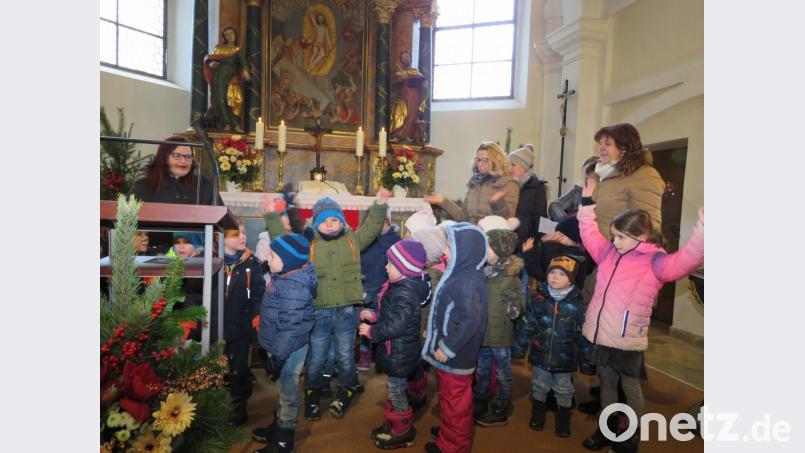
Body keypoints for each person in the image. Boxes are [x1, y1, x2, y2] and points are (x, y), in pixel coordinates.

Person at [578, 178, 704, 453]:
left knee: (631, 388)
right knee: (607, 385)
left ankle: (630, 436)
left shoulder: (655, 262)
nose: (615, 242)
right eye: (614, 236)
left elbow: (689, 259)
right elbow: (589, 234)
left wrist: (703, 229)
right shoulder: (609, 252)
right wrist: (587, 204)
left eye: (621, 237)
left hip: (627, 339)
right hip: (603, 335)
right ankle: (607, 429)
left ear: (642, 237)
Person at [262, 189, 391, 421]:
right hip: (320, 310)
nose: (330, 225)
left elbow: (372, 227)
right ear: (315, 223)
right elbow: (283, 241)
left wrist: (380, 204)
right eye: (324, 221)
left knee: (345, 356)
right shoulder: (308, 243)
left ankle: (346, 389)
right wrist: (272, 216)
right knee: (316, 358)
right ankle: (312, 393)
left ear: (342, 221)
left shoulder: (353, 240)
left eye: (334, 220)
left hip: (346, 311)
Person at [359, 240, 432, 449]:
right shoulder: (401, 287)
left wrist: (372, 331)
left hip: (399, 352)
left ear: (404, 268)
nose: (385, 267)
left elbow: (397, 326)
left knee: (396, 390)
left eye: (390, 264)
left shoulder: (404, 293)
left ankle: (403, 430)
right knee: (396, 387)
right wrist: (375, 315)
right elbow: (392, 315)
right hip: (399, 350)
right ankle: (397, 420)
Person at [422, 222, 488, 453]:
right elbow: (447, 312)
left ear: (465, 251)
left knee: (455, 405)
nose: (444, 251)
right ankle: (449, 435)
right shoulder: (460, 275)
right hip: (451, 353)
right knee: (450, 401)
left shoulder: (467, 282)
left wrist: (448, 346)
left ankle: (454, 446)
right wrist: (433, 332)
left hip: (455, 356)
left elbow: (469, 321)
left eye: (449, 247)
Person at [252, 232, 317, 453]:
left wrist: (279, 357)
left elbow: (290, 328)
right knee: (283, 389)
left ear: (287, 261)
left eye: (272, 256)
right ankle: (279, 424)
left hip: (288, 349)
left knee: (288, 392)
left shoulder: (293, 288)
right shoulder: (285, 278)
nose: (268, 259)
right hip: (283, 346)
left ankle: (284, 440)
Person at [521, 255, 591, 438]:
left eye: (561, 274)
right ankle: (538, 415)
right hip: (540, 355)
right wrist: (519, 348)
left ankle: (563, 421)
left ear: (571, 279)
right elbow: (526, 325)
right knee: (539, 385)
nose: (555, 277)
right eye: (552, 272)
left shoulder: (577, 306)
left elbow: (583, 336)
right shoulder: (538, 299)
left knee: (564, 389)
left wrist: (586, 362)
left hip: (565, 359)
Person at [474, 229, 524, 427]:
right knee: (482, 369)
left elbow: (519, 302)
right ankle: (480, 399)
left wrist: (514, 309)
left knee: (503, 372)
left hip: (500, 334)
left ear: (500, 249)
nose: (483, 248)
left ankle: (501, 405)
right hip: (483, 333)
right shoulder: (483, 272)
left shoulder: (510, 276)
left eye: (488, 245)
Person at [220, 220, 266, 426]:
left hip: (241, 326)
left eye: (244, 233)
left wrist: (257, 314)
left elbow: (258, 292)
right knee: (213, 369)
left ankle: (238, 409)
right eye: (236, 234)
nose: (243, 237)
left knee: (239, 369)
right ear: (221, 237)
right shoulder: (211, 260)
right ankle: (214, 408)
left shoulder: (252, 263)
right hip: (215, 326)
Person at [589, 123, 664, 239]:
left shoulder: (644, 175)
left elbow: (649, 226)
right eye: (600, 143)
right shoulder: (598, 174)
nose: (601, 147)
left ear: (624, 148)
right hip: (593, 245)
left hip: (616, 248)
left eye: (608, 144)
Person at [406, 223, 451, 409]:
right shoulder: (430, 271)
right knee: (418, 360)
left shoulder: (433, 276)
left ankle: (417, 393)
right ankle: (416, 388)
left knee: (416, 361)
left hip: (423, 327)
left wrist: (427, 328)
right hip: (421, 325)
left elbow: (433, 306)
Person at [425, 142, 520, 225]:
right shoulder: (475, 182)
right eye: (478, 160)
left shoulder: (509, 183)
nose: (480, 164)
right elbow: (464, 218)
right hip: (471, 231)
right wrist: (443, 201)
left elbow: (509, 221)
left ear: (496, 161)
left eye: (485, 160)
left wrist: (497, 203)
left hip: (491, 235)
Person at [358, 209, 401, 371]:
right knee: (365, 320)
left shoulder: (395, 240)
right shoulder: (365, 238)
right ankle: (365, 354)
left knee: (383, 321)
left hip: (385, 288)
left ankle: (383, 355)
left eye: (382, 220)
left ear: (387, 222)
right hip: (365, 286)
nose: (378, 224)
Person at [129, 136, 222, 206]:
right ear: (164, 157)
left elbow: (222, 219)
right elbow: (127, 219)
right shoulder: (144, 186)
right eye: (177, 156)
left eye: (188, 157)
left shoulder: (203, 186)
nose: (183, 161)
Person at [204, 27, 250, 132]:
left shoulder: (238, 50)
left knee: (230, 100)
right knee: (219, 99)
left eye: (231, 33)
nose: (230, 36)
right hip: (218, 77)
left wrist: (245, 70)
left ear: (235, 34)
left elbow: (243, 62)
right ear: (224, 37)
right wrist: (212, 64)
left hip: (230, 77)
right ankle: (226, 123)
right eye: (227, 34)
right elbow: (210, 61)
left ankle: (235, 124)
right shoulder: (219, 48)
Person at [390, 50, 427, 142]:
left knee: (412, 114)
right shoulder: (399, 72)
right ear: (401, 61)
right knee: (402, 113)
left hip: (414, 95)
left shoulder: (416, 71)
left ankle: (407, 134)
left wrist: (424, 82)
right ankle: (398, 134)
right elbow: (393, 82)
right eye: (403, 58)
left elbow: (423, 82)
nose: (406, 59)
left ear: (410, 58)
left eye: (407, 57)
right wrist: (400, 79)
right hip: (403, 94)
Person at [548, 156, 599, 221]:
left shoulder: (607, 194)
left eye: (590, 179)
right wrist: (567, 222)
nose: (587, 182)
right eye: (585, 178)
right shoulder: (579, 190)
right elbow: (554, 206)